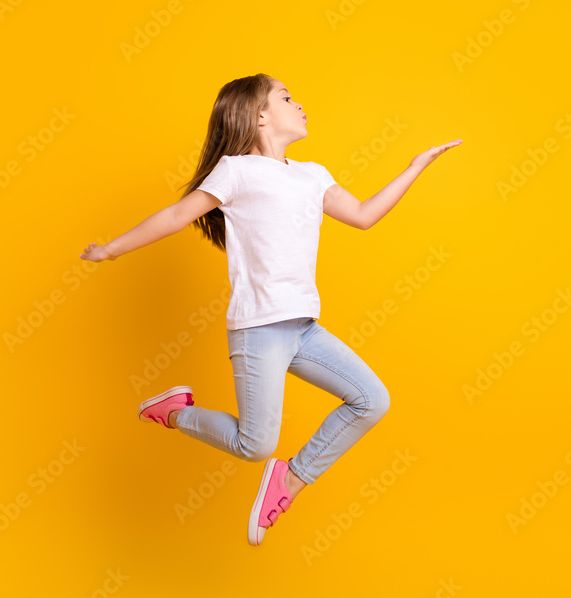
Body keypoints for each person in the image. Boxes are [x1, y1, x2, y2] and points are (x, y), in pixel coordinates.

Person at [80, 73, 462, 546]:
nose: (299, 103)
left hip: (303, 330)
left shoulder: (312, 174)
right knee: (254, 444)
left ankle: (291, 480)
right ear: (260, 115)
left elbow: (363, 216)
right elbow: (178, 215)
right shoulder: (236, 170)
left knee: (372, 400)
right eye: (287, 97)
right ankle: (176, 411)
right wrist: (110, 250)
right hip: (258, 330)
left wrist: (414, 166)